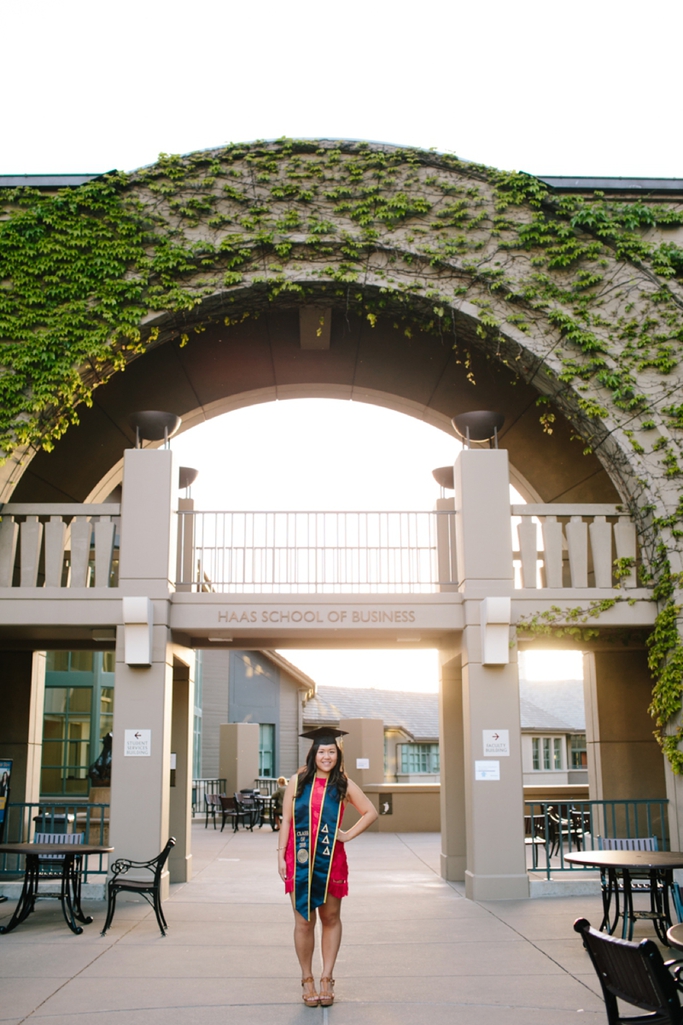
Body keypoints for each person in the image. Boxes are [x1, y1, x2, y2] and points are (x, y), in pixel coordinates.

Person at [278, 727, 378, 1008]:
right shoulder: (298, 782)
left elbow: (371, 811)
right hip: (299, 860)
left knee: (330, 918)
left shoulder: (342, 783)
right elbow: (286, 820)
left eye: (331, 751)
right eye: (322, 751)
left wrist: (345, 834)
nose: (326, 756)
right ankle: (307, 978)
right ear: (313, 754)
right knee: (303, 921)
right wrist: (279, 855)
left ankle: (327, 977)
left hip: (331, 859)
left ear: (338, 754)